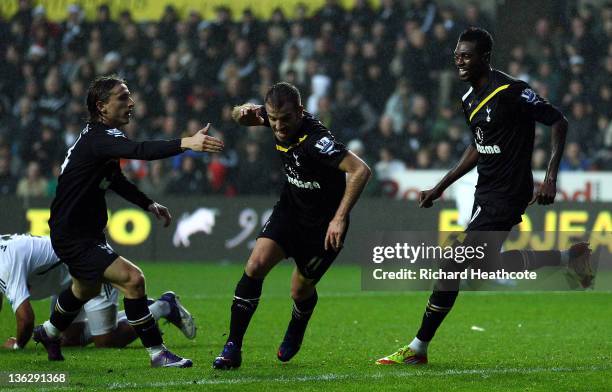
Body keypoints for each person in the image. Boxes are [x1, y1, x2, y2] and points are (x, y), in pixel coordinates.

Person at [376, 27, 593, 366]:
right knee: (483, 265)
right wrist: (440, 186)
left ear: (485, 58)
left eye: (466, 56)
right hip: (486, 190)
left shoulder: (512, 91)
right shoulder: (468, 100)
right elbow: (477, 147)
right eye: (456, 56)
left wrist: (550, 176)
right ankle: (570, 257)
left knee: (452, 264)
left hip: (509, 192)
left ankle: (418, 347)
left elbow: (559, 121)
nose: (459, 61)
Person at [32, 75, 223, 368]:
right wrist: (187, 142)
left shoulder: (101, 139)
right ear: (102, 107)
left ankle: (48, 332)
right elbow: (141, 152)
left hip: (83, 232)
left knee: (85, 290)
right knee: (133, 279)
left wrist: (148, 203)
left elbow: (115, 179)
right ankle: (157, 354)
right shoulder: (99, 139)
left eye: (129, 96)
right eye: (122, 97)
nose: (130, 103)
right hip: (73, 236)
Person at [213, 82, 371, 369]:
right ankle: (232, 347)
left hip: (323, 227)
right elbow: (237, 115)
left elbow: (361, 170)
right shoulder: (275, 114)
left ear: (300, 111)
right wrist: (242, 113)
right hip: (290, 211)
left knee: (299, 290)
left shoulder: (317, 141)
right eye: (272, 120)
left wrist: (339, 217)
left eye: (284, 119)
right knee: (255, 265)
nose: (277, 126)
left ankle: (298, 324)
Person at [0, 234, 195, 350]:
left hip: (92, 268)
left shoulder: (5, 263)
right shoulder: (4, 253)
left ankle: (163, 306)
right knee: (68, 341)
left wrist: (18, 345)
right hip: (67, 284)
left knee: (106, 340)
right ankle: (141, 313)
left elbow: (26, 319)